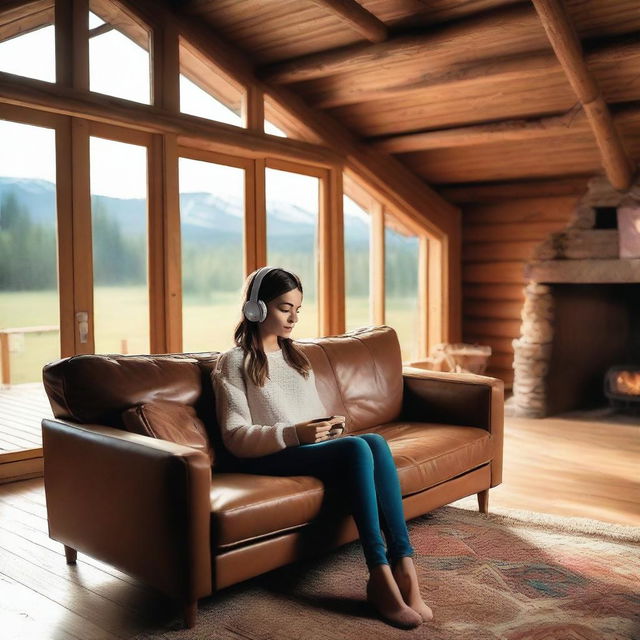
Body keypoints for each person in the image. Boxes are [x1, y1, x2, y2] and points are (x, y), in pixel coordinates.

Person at [211, 266, 433, 629]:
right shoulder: (233, 362)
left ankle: (404, 567)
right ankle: (378, 574)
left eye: (298, 308)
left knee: (372, 442)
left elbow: (310, 416)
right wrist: (294, 433)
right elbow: (235, 436)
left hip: (300, 447)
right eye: (285, 308)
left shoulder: (297, 358)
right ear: (256, 308)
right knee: (358, 450)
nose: (294, 317)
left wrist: (329, 427)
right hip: (264, 458)